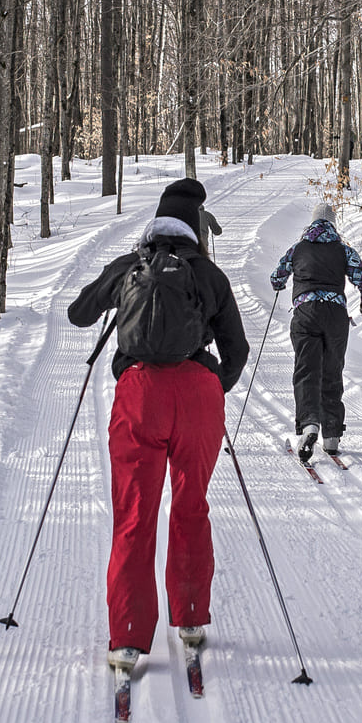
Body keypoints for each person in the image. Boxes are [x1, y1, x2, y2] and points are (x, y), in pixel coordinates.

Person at [68, 178, 249, 674]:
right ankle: (190, 619)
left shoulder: (134, 266)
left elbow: (78, 313)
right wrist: (214, 387)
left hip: (139, 398)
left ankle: (127, 639)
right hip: (197, 399)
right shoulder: (209, 275)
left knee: (135, 514)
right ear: (194, 231)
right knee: (191, 506)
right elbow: (237, 350)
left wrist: (122, 291)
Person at [270, 202, 362, 461]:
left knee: (306, 371)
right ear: (333, 224)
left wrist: (281, 284)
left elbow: (276, 276)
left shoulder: (298, 249)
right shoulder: (343, 250)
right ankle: (332, 436)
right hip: (335, 316)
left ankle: (309, 425)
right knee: (332, 371)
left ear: (312, 223)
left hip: (305, 314)